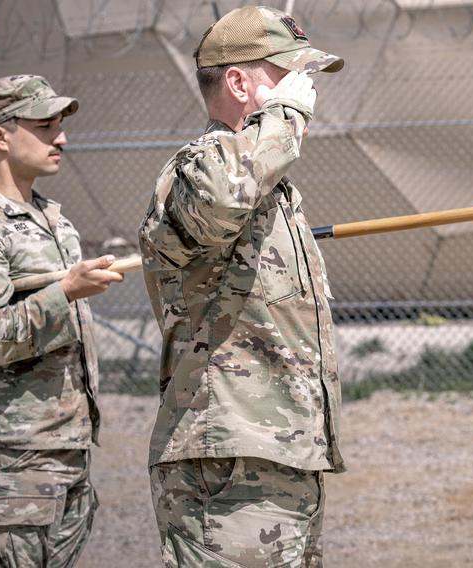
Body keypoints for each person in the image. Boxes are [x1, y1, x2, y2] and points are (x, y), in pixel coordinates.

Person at [138, 6, 345, 566]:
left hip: (278, 454)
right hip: (226, 461)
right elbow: (220, 200)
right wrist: (285, 119)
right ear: (239, 82)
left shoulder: (267, 185)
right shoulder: (199, 168)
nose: (305, 92)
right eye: (289, 76)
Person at [0, 74, 123, 566]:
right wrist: (65, 292)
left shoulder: (52, 216)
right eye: (45, 125)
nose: (62, 138)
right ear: (1, 137)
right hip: (11, 460)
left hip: (65, 452)